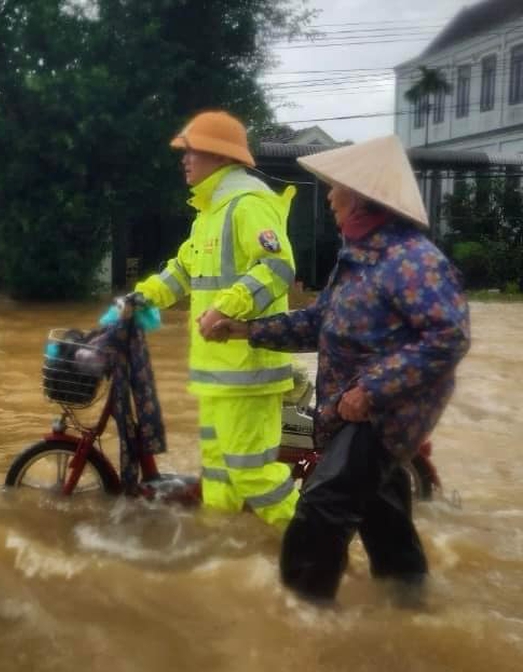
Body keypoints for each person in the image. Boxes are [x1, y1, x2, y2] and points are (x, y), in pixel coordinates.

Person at [205, 134, 470, 602]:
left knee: (320, 513)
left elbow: (448, 338)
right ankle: (409, 611)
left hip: (382, 415)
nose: (328, 196)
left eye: (336, 187)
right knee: (384, 520)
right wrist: (244, 330)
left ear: (363, 198)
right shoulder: (356, 261)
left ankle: (303, 625)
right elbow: (317, 323)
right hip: (352, 409)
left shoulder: (413, 262)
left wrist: (372, 391)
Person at [134, 109, 299, 526]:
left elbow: (278, 268)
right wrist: (138, 301)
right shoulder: (209, 214)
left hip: (248, 371)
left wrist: (227, 306)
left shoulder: (249, 205)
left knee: (253, 473)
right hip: (216, 375)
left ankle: (317, 549)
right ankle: (224, 551)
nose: (184, 160)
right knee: (218, 474)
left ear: (221, 157)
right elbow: (182, 272)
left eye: (192, 152)